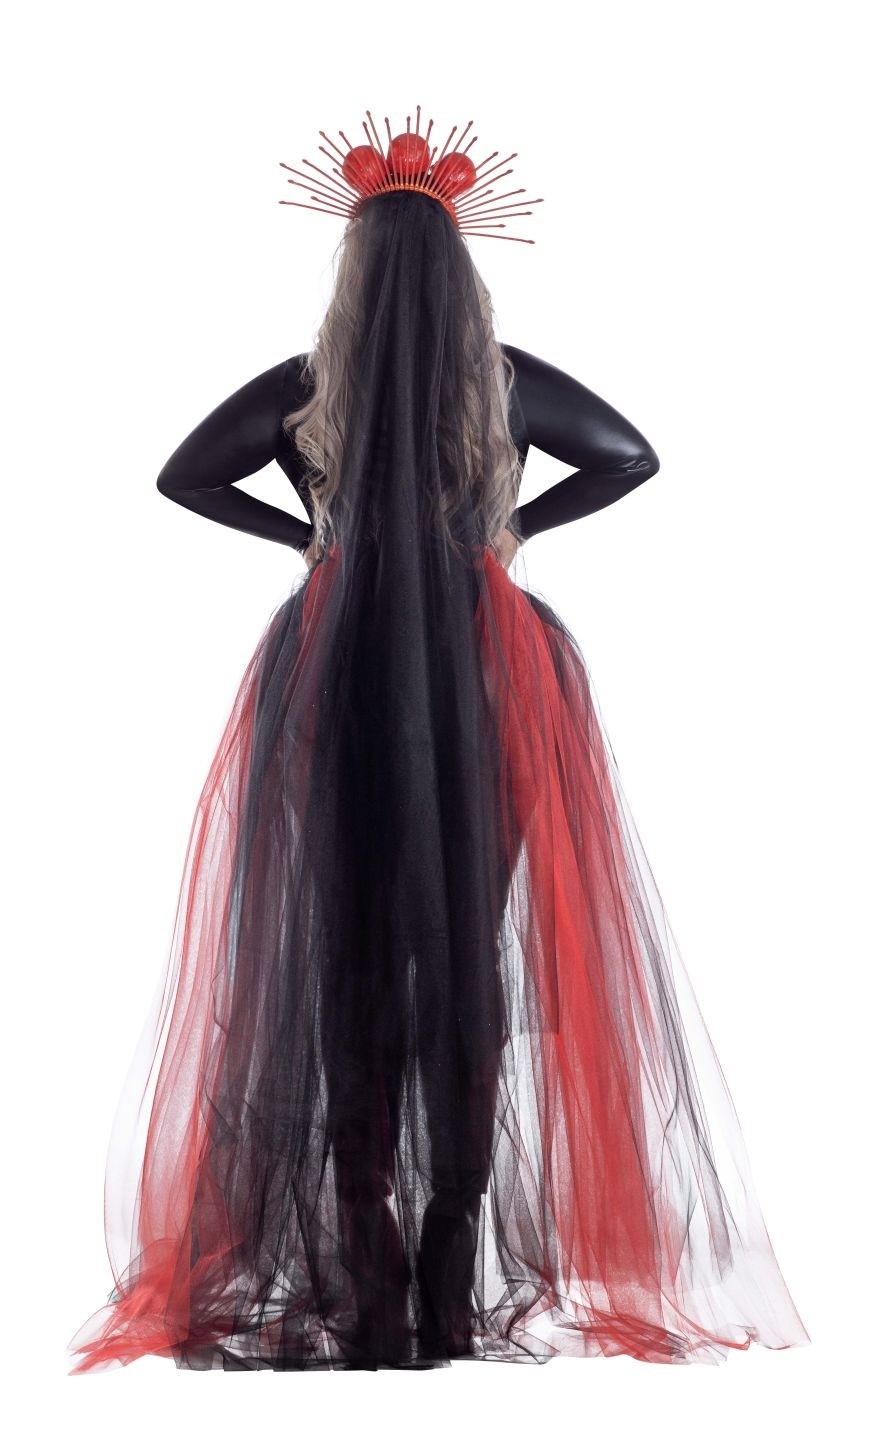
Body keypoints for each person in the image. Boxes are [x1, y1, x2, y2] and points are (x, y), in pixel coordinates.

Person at [68, 114, 810, 1373]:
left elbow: (185, 476)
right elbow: (630, 457)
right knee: (467, 945)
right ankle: (452, 1284)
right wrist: (507, 533)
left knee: (343, 952)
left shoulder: (310, 389)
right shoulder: (500, 380)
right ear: (461, 269)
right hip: (485, 669)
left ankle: (370, 1280)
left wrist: (314, 545)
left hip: (341, 661)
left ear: (353, 269)